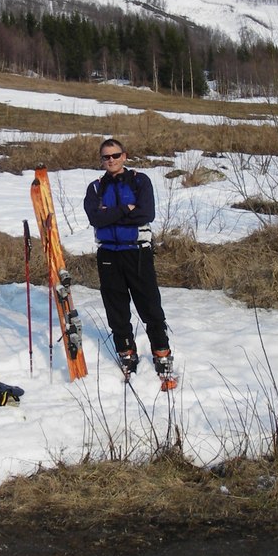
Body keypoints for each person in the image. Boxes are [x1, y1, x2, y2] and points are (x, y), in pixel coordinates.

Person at [83, 138, 173, 381]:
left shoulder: (139, 181)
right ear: (101, 160)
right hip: (108, 254)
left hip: (137, 251)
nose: (110, 160)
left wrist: (110, 215)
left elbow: (147, 213)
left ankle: (162, 354)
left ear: (124, 156)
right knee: (117, 310)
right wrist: (125, 210)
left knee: (150, 305)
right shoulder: (95, 188)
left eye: (115, 155)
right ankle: (127, 353)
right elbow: (95, 219)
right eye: (106, 157)